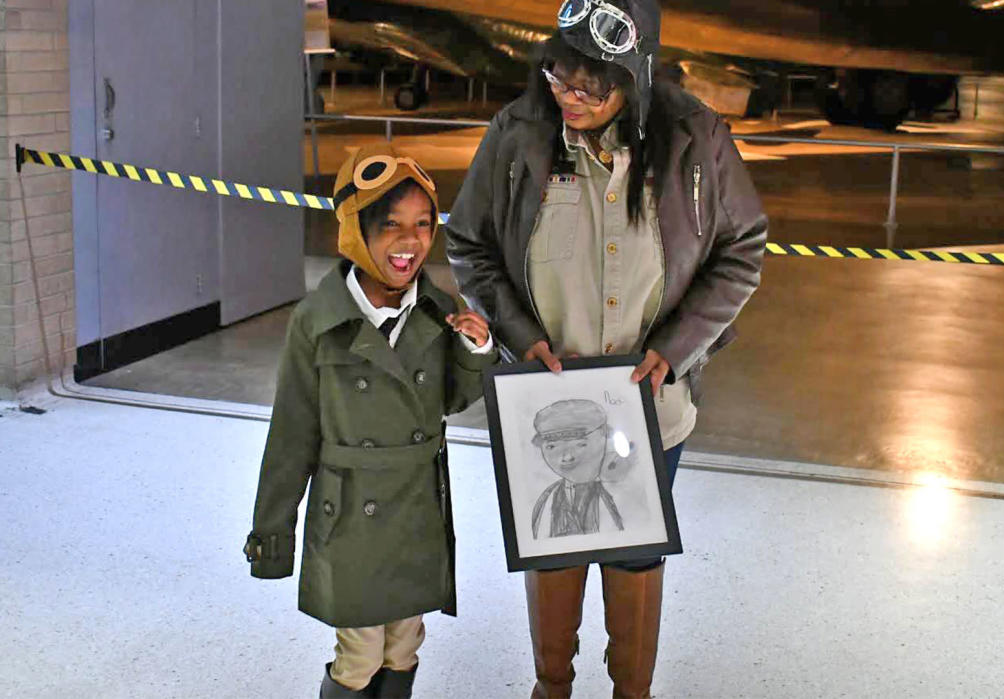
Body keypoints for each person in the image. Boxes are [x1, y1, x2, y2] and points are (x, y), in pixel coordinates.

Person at [445, 0, 768, 695]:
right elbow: (468, 242)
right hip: (546, 397)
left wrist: (677, 346)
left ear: (638, 73)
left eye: (593, 85)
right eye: (561, 78)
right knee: (554, 551)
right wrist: (518, 336)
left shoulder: (694, 138)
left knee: (633, 552)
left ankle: (631, 691)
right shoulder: (518, 133)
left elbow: (743, 249)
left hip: (651, 400)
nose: (572, 98)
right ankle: (552, 684)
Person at [244, 143, 498, 698]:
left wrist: (475, 351)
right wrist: (272, 533)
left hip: (414, 508)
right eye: (390, 225)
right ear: (356, 229)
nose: (410, 242)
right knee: (359, 655)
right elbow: (291, 434)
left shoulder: (435, 309)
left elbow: (450, 399)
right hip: (351, 512)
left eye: (424, 224)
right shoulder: (317, 322)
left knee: (405, 643)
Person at [530, 399, 630, 539]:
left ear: (605, 438)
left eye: (580, 445)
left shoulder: (626, 494)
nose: (567, 457)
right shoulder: (546, 499)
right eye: (551, 447)